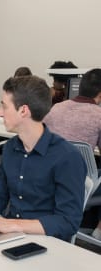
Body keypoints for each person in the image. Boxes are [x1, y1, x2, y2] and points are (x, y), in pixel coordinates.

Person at [0, 75, 87, 241]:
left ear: (23, 111)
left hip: (47, 243)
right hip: (12, 236)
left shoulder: (67, 157)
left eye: (4, 106)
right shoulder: (10, 148)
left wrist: (12, 224)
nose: (1, 112)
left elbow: (68, 222)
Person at [44, 68, 101, 240]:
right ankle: (99, 232)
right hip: (79, 182)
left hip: (48, 176)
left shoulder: (56, 108)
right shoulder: (98, 115)